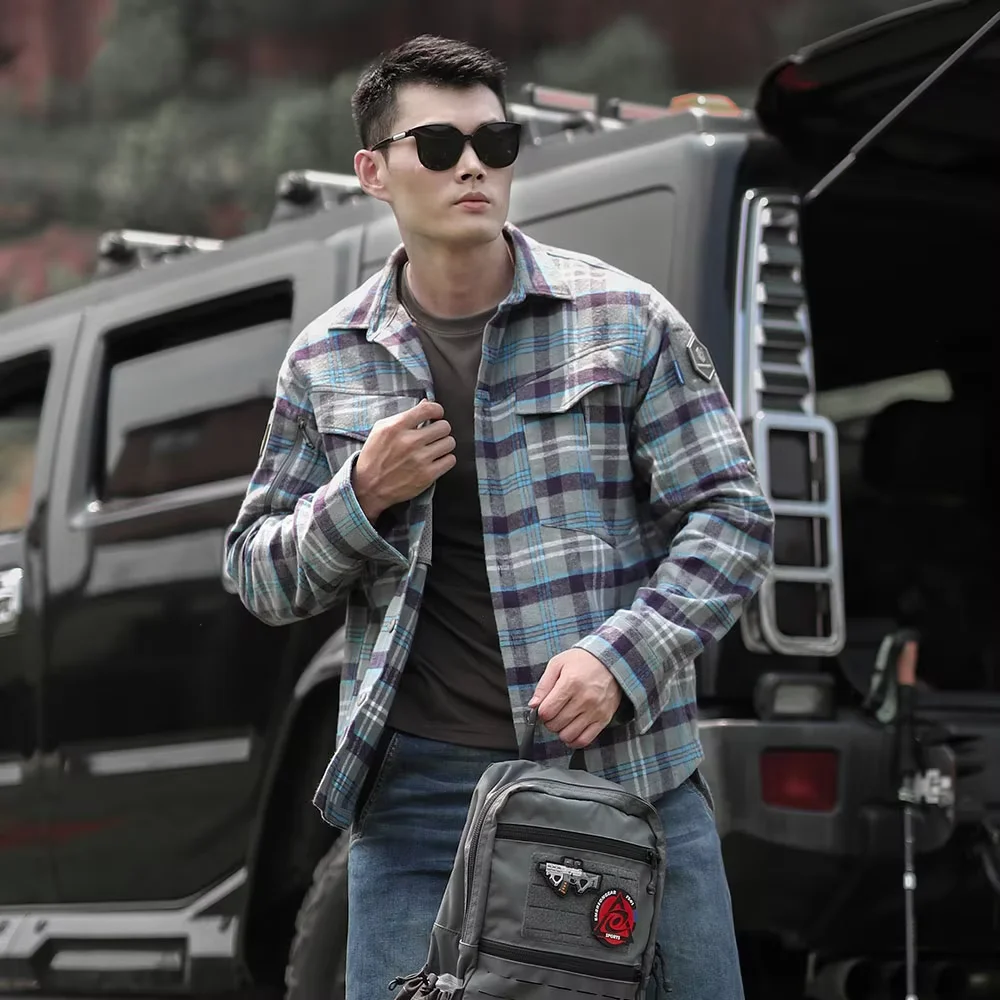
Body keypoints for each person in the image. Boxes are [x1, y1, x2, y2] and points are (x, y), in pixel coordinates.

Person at [224, 34, 774, 1000]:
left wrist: (621, 659)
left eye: (496, 141)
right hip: (420, 798)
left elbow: (732, 516)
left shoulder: (624, 319)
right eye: (438, 146)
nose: (473, 166)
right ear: (373, 173)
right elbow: (257, 574)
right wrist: (361, 494)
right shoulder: (326, 360)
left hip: (626, 774)